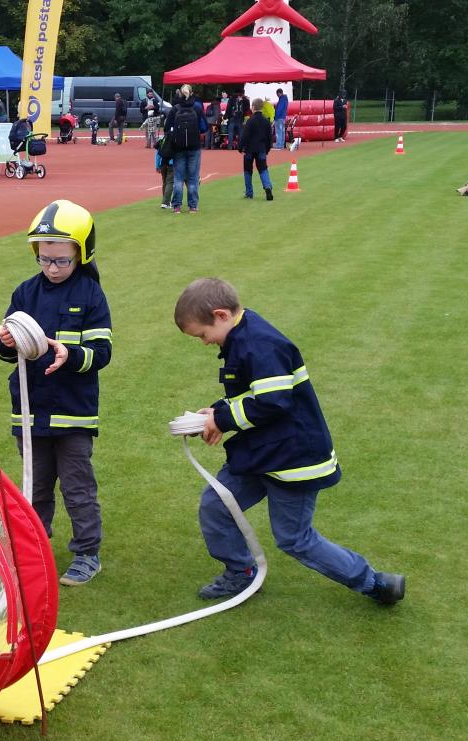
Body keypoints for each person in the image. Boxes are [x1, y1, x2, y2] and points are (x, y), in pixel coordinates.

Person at [174, 277, 405, 606]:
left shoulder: (261, 344)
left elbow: (273, 402)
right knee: (216, 505)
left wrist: (222, 419)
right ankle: (241, 573)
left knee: (295, 538)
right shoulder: (240, 339)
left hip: (293, 460)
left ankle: (374, 583)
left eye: (202, 334)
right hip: (262, 452)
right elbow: (254, 395)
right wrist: (216, 413)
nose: (204, 342)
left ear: (221, 315)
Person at [0, 200, 112, 586]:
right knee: (35, 484)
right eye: (45, 260)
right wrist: (5, 340)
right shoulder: (25, 292)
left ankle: (86, 553)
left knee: (78, 487)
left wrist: (69, 353)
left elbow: (102, 352)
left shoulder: (91, 295)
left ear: (81, 253)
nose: (52, 268)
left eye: (61, 261)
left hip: (73, 413)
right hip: (29, 411)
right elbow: (4, 349)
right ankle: (35, 546)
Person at [167, 88, 203, 213]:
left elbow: (167, 127)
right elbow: (203, 127)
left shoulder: (175, 109)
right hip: (194, 146)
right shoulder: (197, 108)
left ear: (179, 94)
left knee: (178, 178)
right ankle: (193, 206)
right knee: (193, 177)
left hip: (178, 147)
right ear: (191, 93)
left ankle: (176, 206)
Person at [240, 96, 274, 201]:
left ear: (253, 107)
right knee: (263, 169)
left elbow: (245, 136)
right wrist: (267, 148)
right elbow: (270, 137)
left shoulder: (250, 121)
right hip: (261, 149)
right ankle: (267, 187)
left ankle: (249, 192)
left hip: (249, 149)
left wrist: (240, 147)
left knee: (247, 170)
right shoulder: (266, 121)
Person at [154, 135, 174, 210]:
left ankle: (165, 200)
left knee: (165, 182)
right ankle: (166, 202)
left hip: (162, 164)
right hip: (171, 163)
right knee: (170, 183)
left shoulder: (161, 140)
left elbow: (157, 154)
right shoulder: (174, 138)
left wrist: (157, 165)